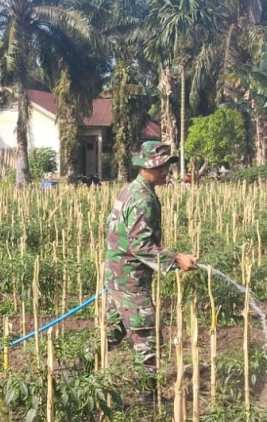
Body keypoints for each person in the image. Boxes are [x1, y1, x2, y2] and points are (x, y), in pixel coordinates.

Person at [104, 141, 198, 401]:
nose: (166, 169)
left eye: (168, 164)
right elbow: (140, 245)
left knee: (112, 331)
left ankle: (77, 375)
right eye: (162, 165)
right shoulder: (143, 199)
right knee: (148, 338)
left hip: (116, 275)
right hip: (131, 280)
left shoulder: (129, 190)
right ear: (147, 165)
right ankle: (149, 399)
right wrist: (176, 258)